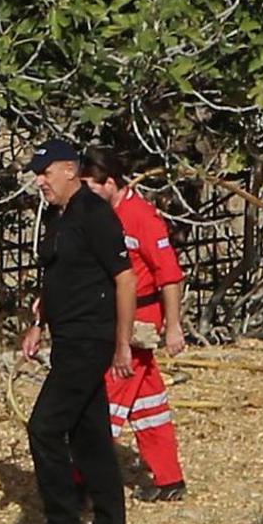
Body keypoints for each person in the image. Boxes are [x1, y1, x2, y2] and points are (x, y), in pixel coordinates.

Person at [16, 141, 136, 524]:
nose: (41, 181)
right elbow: (55, 276)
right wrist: (39, 324)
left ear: (69, 170)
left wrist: (122, 342)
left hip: (91, 339)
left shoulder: (94, 213)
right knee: (92, 439)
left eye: (46, 172)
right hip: (66, 338)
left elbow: (125, 279)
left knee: (45, 427)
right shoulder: (56, 217)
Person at [89, 156, 188, 501]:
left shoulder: (141, 217)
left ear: (110, 184)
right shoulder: (104, 216)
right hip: (119, 315)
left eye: (90, 186)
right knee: (148, 402)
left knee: (107, 397)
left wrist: (173, 326)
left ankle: (82, 478)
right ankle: (169, 477)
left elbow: (170, 275)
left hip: (140, 321)